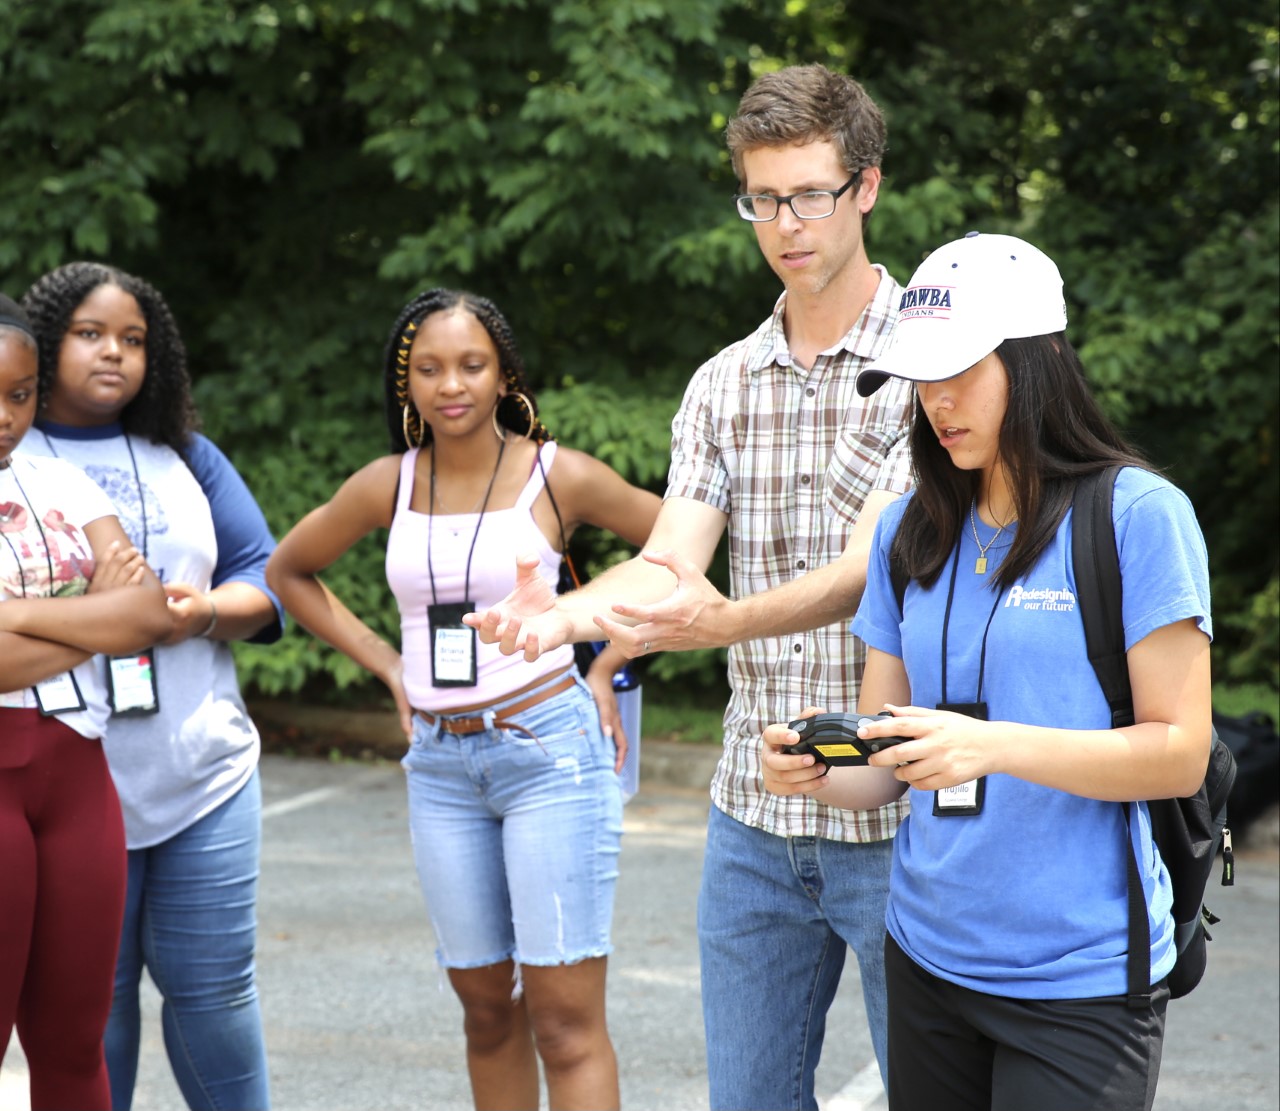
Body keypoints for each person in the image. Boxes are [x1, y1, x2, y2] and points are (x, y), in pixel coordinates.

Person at [466, 65, 915, 1107]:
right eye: (761, 198)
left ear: (865, 187)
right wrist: (562, 617)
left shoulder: (929, 363)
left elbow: (865, 573)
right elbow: (671, 557)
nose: (783, 223)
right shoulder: (720, 381)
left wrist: (714, 624)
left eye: (807, 193)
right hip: (753, 815)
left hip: (897, 807)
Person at [761, 231, 1212, 1110]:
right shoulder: (907, 531)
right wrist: (821, 767)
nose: (938, 399)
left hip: (1080, 979)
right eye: (921, 377)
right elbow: (886, 763)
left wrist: (993, 746)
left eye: (962, 370)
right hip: (925, 958)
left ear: (1036, 361)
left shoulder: (1139, 517)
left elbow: (1178, 753)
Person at [265, 287, 661, 1111]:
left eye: (472, 365)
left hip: (548, 748)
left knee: (563, 1022)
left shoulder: (561, 477)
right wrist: (387, 664)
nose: (452, 385)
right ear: (405, 384)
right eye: (430, 368)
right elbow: (288, 570)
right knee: (486, 1010)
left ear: (504, 374)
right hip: (441, 765)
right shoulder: (386, 484)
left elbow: (676, 554)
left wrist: (607, 661)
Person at [20, 262, 283, 1111]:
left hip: (203, 770)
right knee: (91, 1016)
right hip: (71, 775)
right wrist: (115, 615)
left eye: (133, 340)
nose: (113, 354)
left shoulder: (184, 454)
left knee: (216, 997)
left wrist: (202, 610)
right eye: (90, 335)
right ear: (42, 346)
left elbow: (265, 575)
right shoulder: (13, 460)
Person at [0, 294, 173, 1111]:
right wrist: (94, 620)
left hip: (78, 773)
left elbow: (147, 609)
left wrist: (26, 618)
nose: (6, 416)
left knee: (75, 1041)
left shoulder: (58, 475)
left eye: (22, 393)